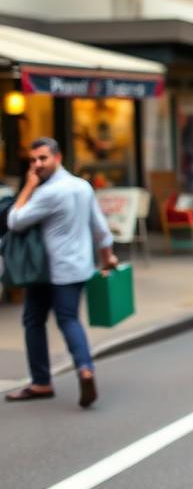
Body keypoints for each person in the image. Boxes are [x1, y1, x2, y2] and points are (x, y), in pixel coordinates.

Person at [4, 137, 117, 408]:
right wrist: (107, 257)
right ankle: (85, 368)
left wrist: (28, 187)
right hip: (78, 268)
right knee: (69, 319)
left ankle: (41, 382)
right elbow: (99, 227)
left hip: (48, 271)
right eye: (33, 160)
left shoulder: (47, 192)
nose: (37, 165)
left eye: (43, 158)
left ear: (58, 157)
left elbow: (14, 221)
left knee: (34, 321)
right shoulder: (82, 186)